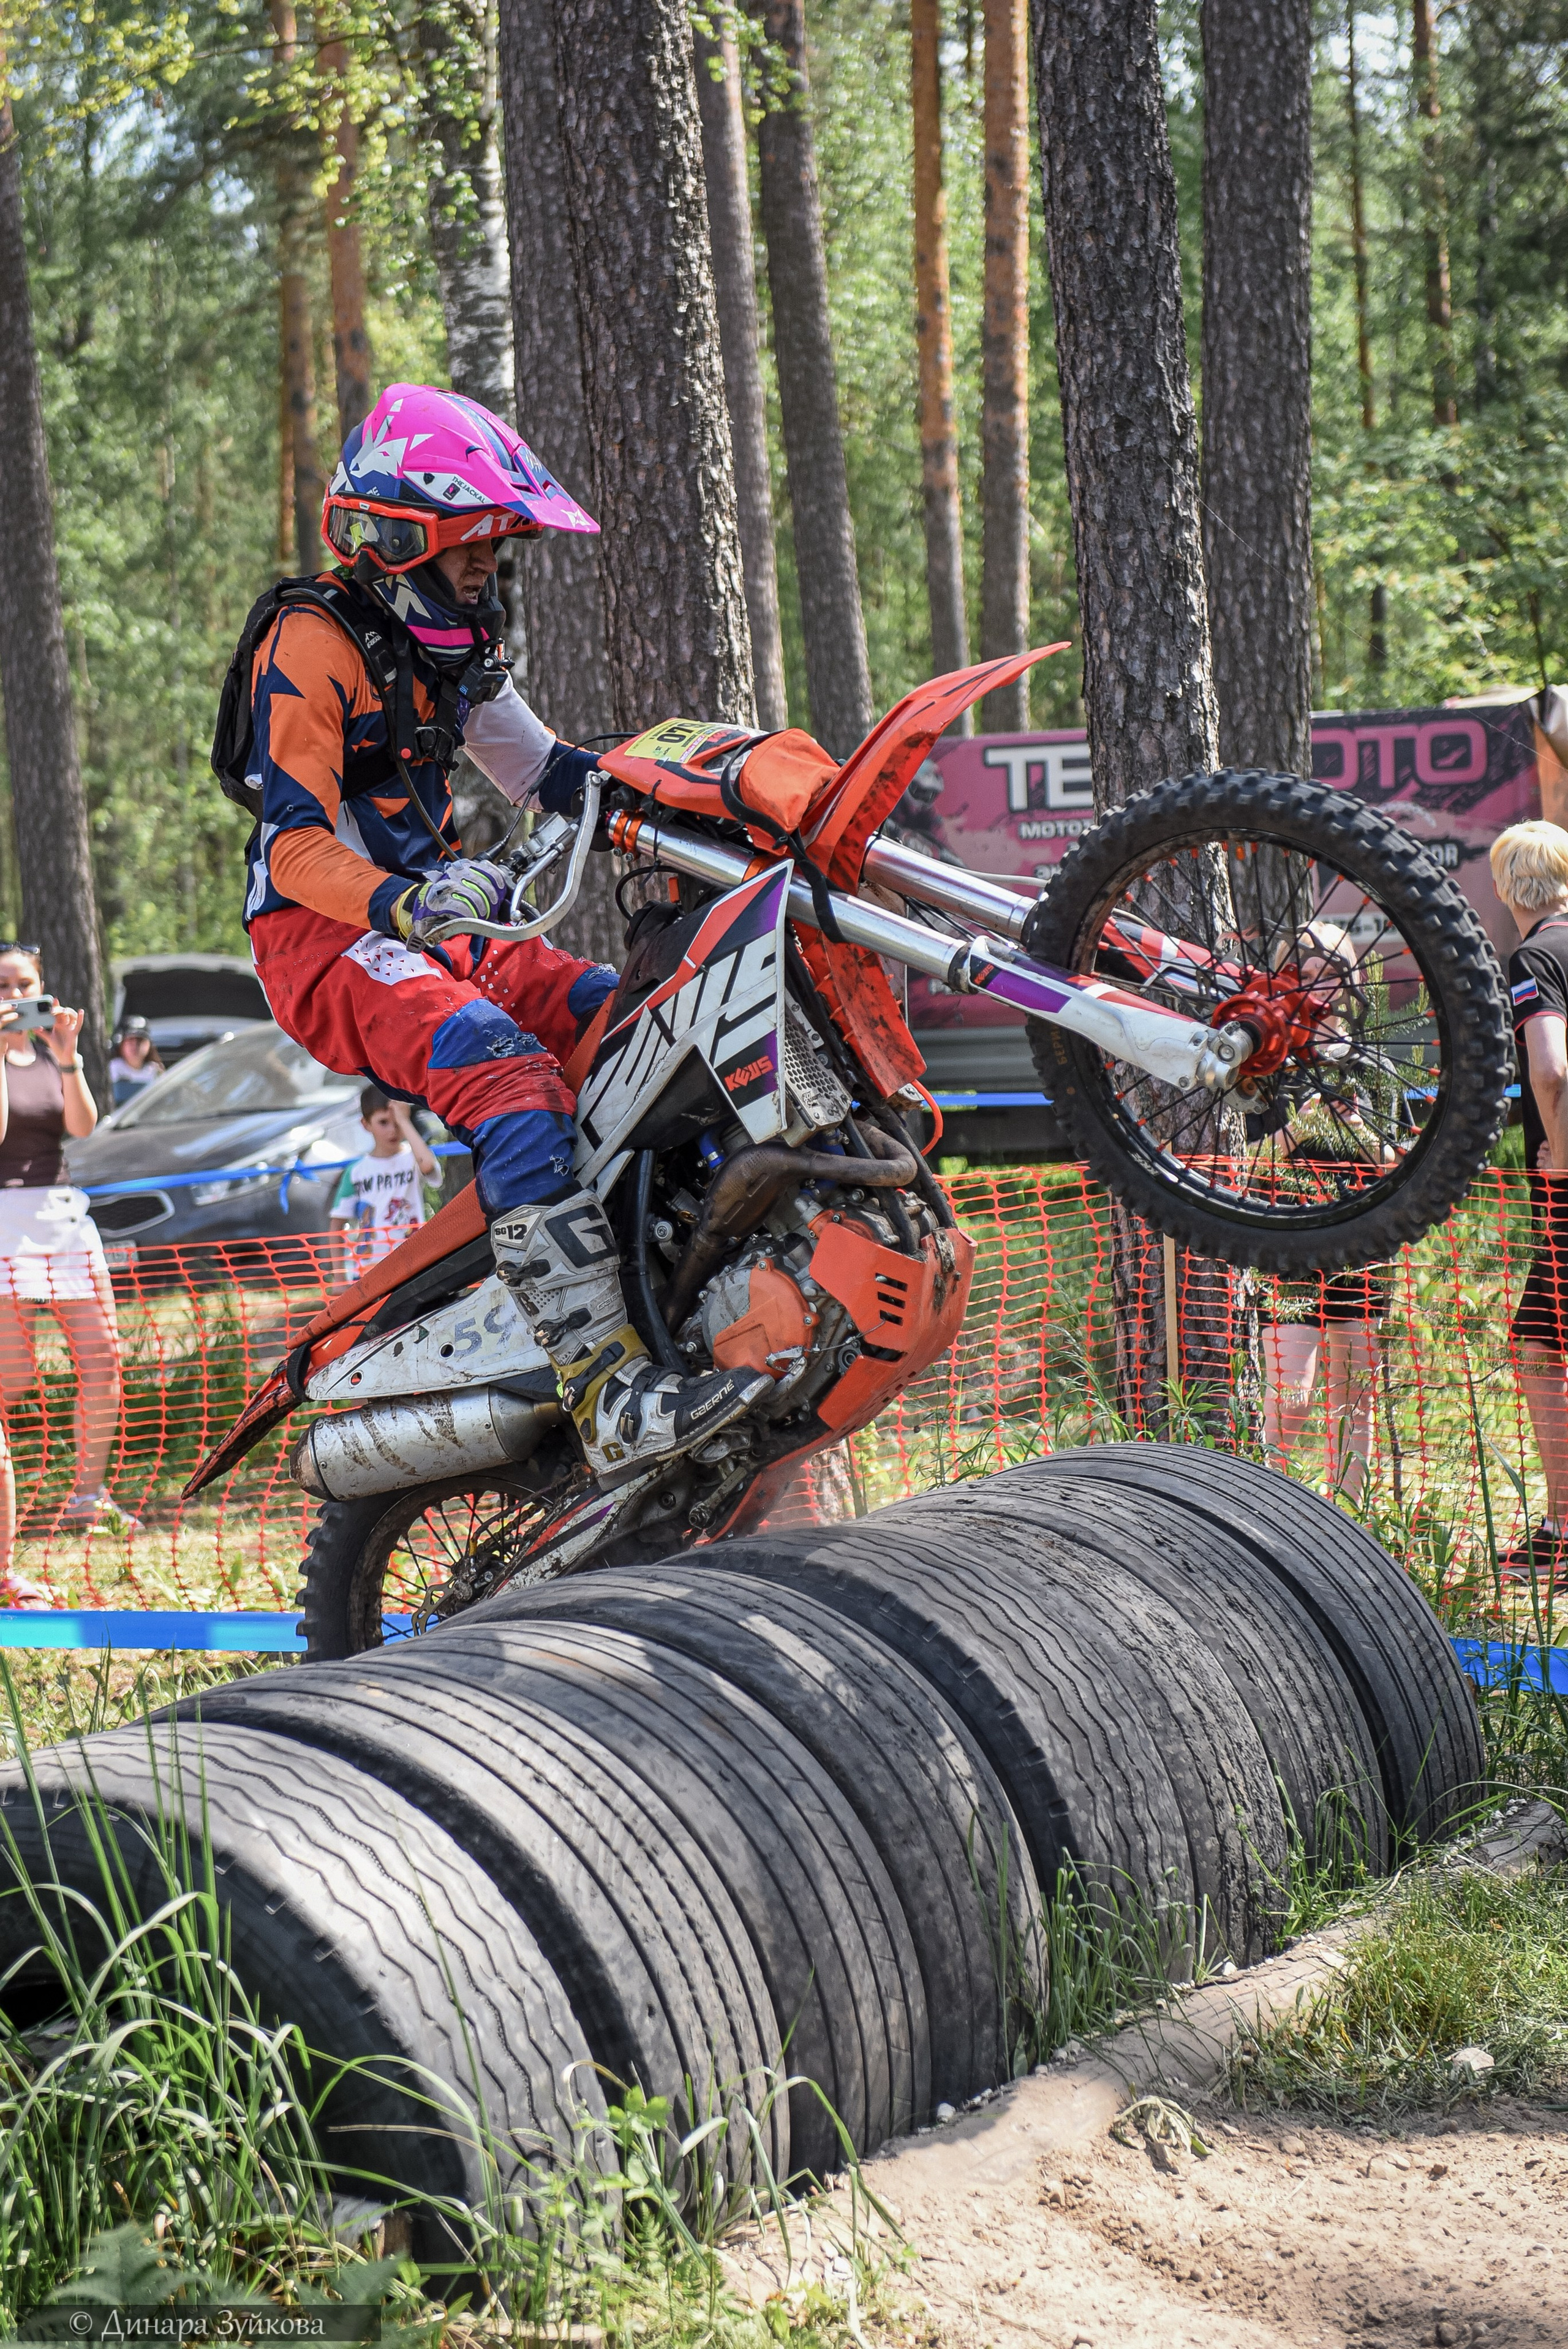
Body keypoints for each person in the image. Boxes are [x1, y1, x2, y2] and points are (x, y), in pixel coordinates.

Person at [243, 382, 769, 1481]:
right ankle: (609, 1391)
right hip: (327, 932)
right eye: (473, 542)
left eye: (498, 544)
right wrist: (402, 900)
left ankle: (690, 1290)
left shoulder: (451, 648)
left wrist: (685, 798)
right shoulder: (310, 640)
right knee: (510, 1075)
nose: (490, 565)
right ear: (402, 537)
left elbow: (544, 770)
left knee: (633, 1022)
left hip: (435, 918)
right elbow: (292, 846)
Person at [0, 943, 133, 1603]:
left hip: (62, 1218)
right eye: (3, 985)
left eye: (25, 984)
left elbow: (82, 1125)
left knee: (104, 1357)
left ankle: (88, 1494)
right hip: (5, 1223)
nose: (15, 995)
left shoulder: (51, 1051)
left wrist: (67, 1052)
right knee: (13, 1379)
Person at [1490, 820, 1568, 1578]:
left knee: (1540, 1346)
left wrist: (1563, 1154)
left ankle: (1564, 1526)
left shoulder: (1537, 955)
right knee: (1540, 1338)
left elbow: (1548, 1069)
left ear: (1508, 887)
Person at [330, 1088, 442, 1280]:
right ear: (366, 1124)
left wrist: (405, 1120)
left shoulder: (413, 1157)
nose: (393, 1130)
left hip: (413, 1261)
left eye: (396, 1122)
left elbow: (428, 1165)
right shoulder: (356, 1171)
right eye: (383, 1123)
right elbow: (337, 1224)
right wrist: (339, 1277)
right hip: (369, 1268)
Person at [108, 1016, 163, 1109]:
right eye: (130, 1041)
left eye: (140, 1041)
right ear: (121, 1044)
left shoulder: (155, 1071)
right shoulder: (112, 1068)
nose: (135, 1046)